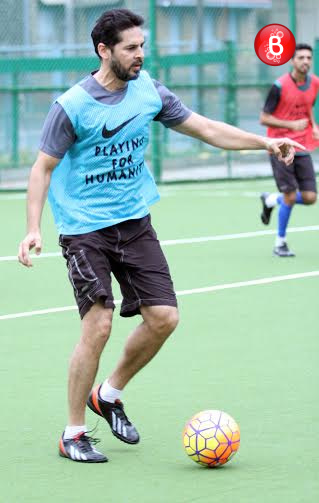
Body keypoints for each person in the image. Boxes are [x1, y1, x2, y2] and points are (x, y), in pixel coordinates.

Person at [18, 8, 303, 463]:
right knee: (99, 323)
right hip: (84, 229)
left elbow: (206, 128)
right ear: (103, 50)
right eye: (130, 48)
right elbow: (42, 168)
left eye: (142, 46)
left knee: (165, 318)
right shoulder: (72, 106)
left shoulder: (148, 91)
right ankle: (73, 432)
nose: (139, 55)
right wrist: (33, 228)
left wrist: (264, 142)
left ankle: (108, 394)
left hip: (134, 221)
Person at [259, 43, 318, 257]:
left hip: (302, 146)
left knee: (311, 197)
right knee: (291, 196)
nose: (305, 61)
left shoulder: (315, 84)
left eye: (308, 58)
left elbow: (308, 105)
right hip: (280, 146)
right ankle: (280, 244)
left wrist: (314, 126)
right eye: (301, 57)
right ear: (292, 61)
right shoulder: (279, 86)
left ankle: (271, 200)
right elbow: (263, 118)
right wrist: (291, 126)